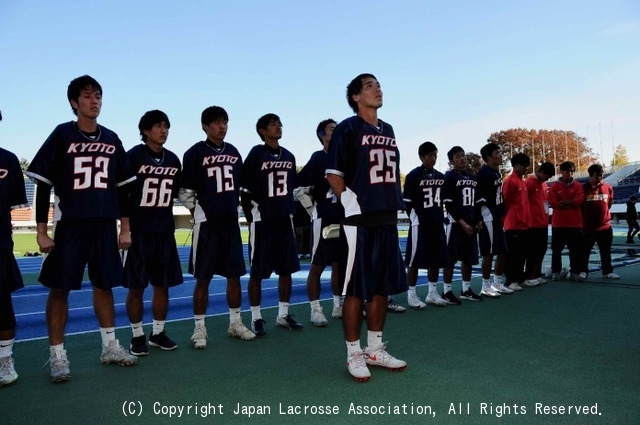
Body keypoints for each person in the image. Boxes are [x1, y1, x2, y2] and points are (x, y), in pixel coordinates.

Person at [25, 75, 138, 383]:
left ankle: (109, 345)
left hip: (103, 223)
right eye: (87, 96)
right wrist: (41, 230)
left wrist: (124, 227)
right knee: (59, 287)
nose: (94, 101)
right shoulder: (63, 134)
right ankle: (58, 355)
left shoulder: (112, 138)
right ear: (74, 103)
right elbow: (43, 183)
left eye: (98, 95)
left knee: (104, 285)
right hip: (70, 224)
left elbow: (124, 189)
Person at [326, 73, 408, 381]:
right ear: (356, 97)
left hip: (386, 217)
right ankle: (353, 352)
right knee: (356, 288)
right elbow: (333, 174)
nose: (378, 88)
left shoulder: (388, 129)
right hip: (359, 219)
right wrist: (350, 202)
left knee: (381, 287)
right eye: (370, 85)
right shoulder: (348, 128)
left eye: (379, 84)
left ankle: (375, 349)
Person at [180, 106, 255, 348]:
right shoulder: (195, 153)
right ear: (205, 126)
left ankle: (235, 322)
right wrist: (198, 213)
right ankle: (199, 327)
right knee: (203, 277)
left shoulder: (233, 152)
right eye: (216, 122)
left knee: (234, 274)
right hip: (208, 223)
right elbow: (185, 191)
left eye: (225, 122)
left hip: (230, 222)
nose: (222, 126)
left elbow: (241, 186)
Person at [124, 110, 183, 356]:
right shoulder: (133, 156)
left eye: (166, 126)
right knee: (136, 287)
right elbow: (123, 195)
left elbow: (177, 192)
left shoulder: (173, 159)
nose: (164, 130)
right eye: (158, 126)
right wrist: (125, 228)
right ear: (146, 130)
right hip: (139, 231)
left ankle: (157, 332)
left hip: (164, 230)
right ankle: (137, 334)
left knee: (163, 285)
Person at [240, 113, 302, 336]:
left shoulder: (289, 155)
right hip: (262, 219)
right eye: (272, 124)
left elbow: (292, 187)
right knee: (258, 271)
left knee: (287, 269)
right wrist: (251, 215)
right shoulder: (257, 153)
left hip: (284, 217)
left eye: (279, 124)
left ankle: (283, 315)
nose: (278, 127)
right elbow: (244, 190)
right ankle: (256, 317)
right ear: (262, 131)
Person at [297, 118, 344, 326]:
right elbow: (299, 187)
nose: (336, 132)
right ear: (321, 135)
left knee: (339, 264)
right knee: (317, 264)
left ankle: (338, 304)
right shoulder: (318, 158)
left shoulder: (345, 157)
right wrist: (313, 209)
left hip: (343, 216)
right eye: (332, 130)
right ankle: (315, 309)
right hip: (324, 217)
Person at [0, 110, 28, 386]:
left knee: (2, 304)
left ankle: (5, 359)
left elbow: (14, 204)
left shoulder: (8, 160)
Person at [402, 141, 448, 308]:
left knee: (436, 259)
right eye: (429, 155)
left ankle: (432, 293)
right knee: (414, 260)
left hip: (436, 221)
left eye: (435, 154)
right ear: (422, 157)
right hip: (420, 223)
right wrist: (415, 219)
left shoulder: (441, 177)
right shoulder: (413, 176)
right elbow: (407, 202)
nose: (433, 158)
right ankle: (412, 294)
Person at [441, 146, 483, 305]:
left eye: (463, 155)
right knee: (450, 259)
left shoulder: (472, 177)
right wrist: (462, 222)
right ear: (452, 161)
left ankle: (466, 289)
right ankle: (447, 291)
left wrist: (478, 220)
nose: (462, 158)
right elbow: (449, 204)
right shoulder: (450, 177)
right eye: (458, 156)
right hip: (456, 223)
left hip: (471, 223)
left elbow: (478, 202)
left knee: (468, 258)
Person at [476, 143, 511, 297]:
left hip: (497, 217)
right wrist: (482, 217)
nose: (500, 155)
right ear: (488, 157)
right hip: (488, 217)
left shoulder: (496, 173)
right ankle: (485, 285)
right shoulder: (484, 174)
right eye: (497, 152)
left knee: (503, 251)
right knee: (488, 253)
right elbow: (479, 199)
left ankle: (497, 283)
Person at [502, 153, 535, 290]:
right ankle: (511, 280)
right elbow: (506, 202)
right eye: (523, 165)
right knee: (513, 255)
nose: (525, 168)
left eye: (526, 166)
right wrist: (507, 220)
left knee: (522, 253)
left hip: (523, 224)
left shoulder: (522, 181)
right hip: (513, 224)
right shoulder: (510, 181)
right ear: (515, 166)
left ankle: (520, 278)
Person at [547, 161, 585, 281]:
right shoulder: (554, 186)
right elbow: (552, 203)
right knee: (556, 250)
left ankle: (574, 272)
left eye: (571, 171)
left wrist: (563, 203)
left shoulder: (578, 186)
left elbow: (580, 200)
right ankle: (556, 272)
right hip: (559, 224)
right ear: (561, 171)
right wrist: (571, 203)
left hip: (575, 224)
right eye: (566, 171)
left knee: (575, 251)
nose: (569, 173)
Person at [581, 164, 619, 279]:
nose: (600, 178)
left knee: (606, 251)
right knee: (585, 252)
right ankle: (583, 271)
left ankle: (607, 271)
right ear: (590, 175)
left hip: (605, 227)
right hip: (588, 227)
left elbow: (609, 204)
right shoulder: (583, 188)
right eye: (597, 176)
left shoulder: (608, 187)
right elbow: (580, 206)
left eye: (601, 176)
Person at [524, 162, 555, 283]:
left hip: (542, 223)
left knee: (541, 251)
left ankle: (536, 275)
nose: (548, 179)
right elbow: (524, 203)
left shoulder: (543, 185)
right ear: (541, 172)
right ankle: (529, 276)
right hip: (532, 224)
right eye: (547, 176)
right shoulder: (529, 183)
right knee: (532, 252)